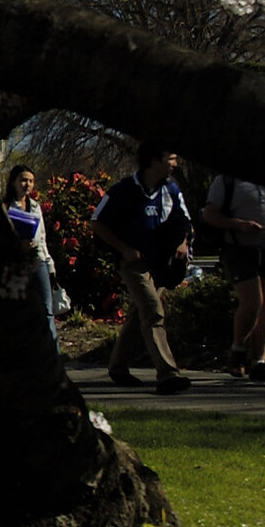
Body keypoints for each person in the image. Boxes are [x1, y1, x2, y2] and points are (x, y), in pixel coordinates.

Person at [92, 142, 194, 394]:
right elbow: (97, 222)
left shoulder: (171, 189)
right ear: (153, 161)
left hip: (160, 265)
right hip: (133, 264)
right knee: (152, 310)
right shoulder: (123, 191)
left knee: (140, 314)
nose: (175, 163)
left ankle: (118, 366)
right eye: (171, 158)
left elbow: (185, 221)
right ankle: (167, 373)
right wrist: (124, 249)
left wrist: (182, 243)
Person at [204, 173, 265, 381]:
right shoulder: (229, 180)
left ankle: (259, 363)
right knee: (253, 301)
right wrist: (238, 224)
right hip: (240, 247)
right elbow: (209, 213)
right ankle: (238, 351)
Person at [4, 165, 57, 343]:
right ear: (14, 182)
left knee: (47, 309)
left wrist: (50, 265)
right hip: (18, 263)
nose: (27, 184)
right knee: (19, 309)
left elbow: (42, 237)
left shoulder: (35, 207)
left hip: (38, 260)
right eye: (23, 180)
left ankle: (53, 350)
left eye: (31, 181)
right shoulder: (6, 207)